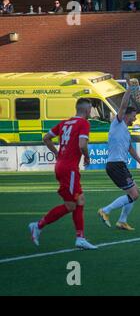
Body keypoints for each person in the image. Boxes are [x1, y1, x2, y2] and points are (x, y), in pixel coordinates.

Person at [28, 99, 97, 249]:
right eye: (90, 109)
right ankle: (38, 226)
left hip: (62, 166)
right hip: (70, 170)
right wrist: (87, 156)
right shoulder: (84, 123)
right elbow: (82, 144)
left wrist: (57, 153)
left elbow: (46, 138)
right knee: (71, 205)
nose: (91, 112)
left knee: (80, 200)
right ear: (86, 110)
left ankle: (80, 238)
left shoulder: (64, 123)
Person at [98, 79, 140, 231]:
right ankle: (105, 211)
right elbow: (122, 106)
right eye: (134, 116)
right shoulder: (118, 122)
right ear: (126, 115)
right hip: (115, 165)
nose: (135, 118)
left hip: (119, 165)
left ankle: (122, 221)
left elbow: (130, 149)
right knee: (133, 194)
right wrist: (129, 89)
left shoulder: (126, 131)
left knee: (135, 192)